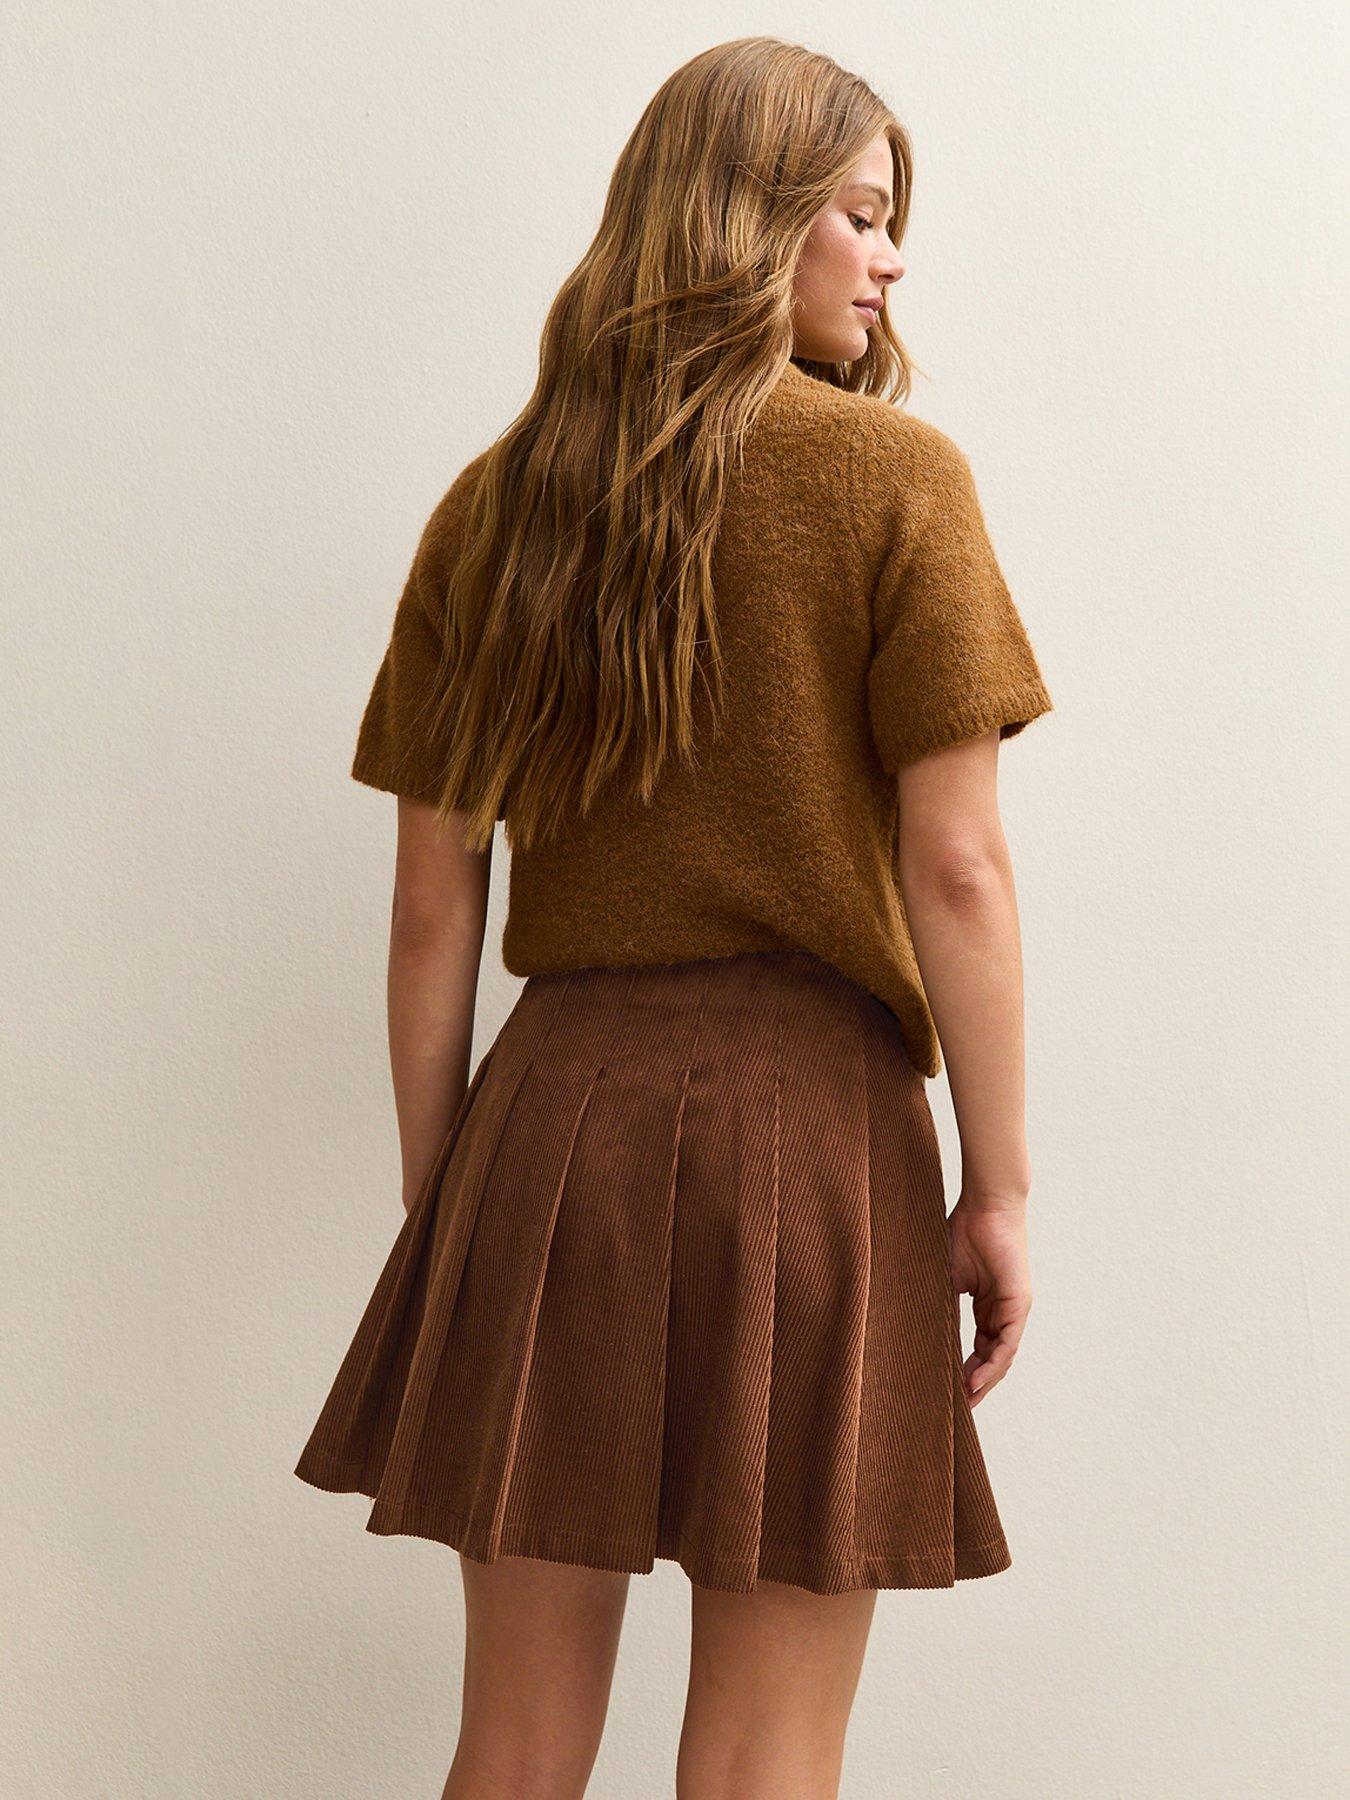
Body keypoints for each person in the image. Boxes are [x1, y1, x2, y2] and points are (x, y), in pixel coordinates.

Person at [294, 35, 1053, 1800]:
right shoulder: (893, 483)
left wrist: (447, 1190)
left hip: (550, 1127)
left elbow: (430, 905)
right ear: (749, 217)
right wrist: (998, 1190)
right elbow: (957, 869)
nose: (888, 257)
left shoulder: (499, 507)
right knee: (766, 1757)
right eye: (859, 213)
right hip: (816, 1137)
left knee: (511, 1747)